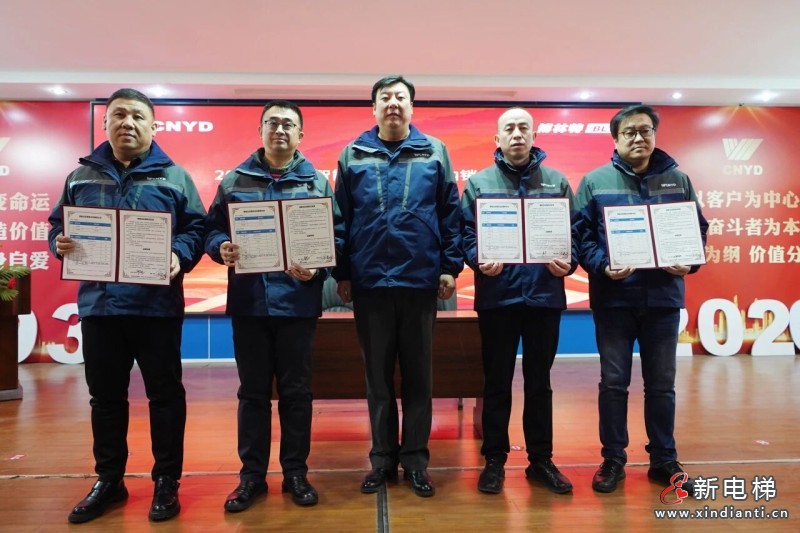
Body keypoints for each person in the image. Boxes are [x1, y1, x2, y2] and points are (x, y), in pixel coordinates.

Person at [48, 88, 206, 523]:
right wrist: (59, 243)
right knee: (105, 398)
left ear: (153, 125)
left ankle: (167, 481)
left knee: (165, 396)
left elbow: (196, 229)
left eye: (137, 116)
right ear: (106, 123)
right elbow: (58, 224)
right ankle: (109, 480)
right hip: (100, 307)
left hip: (156, 306)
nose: (127, 123)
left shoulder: (175, 177)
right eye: (119, 115)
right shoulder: (80, 177)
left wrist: (179, 254)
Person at [333, 75, 463, 497]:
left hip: (419, 281)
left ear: (411, 107)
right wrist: (342, 272)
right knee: (378, 381)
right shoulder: (353, 154)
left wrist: (449, 266)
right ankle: (382, 461)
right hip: (370, 282)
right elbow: (340, 218)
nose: (393, 103)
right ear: (374, 108)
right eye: (385, 97)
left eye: (400, 97)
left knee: (419, 379)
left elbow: (450, 214)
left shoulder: (434, 151)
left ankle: (416, 462)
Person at [573, 104, 708, 494]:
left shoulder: (678, 180)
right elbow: (580, 236)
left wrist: (689, 261)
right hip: (614, 299)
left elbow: (697, 230)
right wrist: (602, 265)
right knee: (614, 383)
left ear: (654, 135)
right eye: (629, 132)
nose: (638, 138)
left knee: (662, 385)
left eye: (645, 130)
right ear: (615, 139)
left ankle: (663, 459)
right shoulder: (595, 181)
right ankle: (613, 459)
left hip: (663, 299)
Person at [204, 100, 333, 512]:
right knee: (253, 394)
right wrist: (220, 247)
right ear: (260, 130)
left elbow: (338, 236)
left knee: (297, 393)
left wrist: (318, 269)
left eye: (288, 124)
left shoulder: (316, 182)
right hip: (250, 303)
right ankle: (252, 477)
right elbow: (211, 230)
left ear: (300, 134)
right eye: (272, 122)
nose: (280, 129)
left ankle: (295, 473)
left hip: (297, 304)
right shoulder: (235, 180)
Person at [460, 108, 577, 495]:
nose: (516, 134)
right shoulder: (479, 183)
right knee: (496, 382)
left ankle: (541, 460)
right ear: (497, 139)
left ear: (533, 135)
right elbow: (465, 233)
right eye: (508, 128)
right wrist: (478, 258)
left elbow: (575, 233)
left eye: (523, 128)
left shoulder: (556, 182)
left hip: (544, 296)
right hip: (498, 297)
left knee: (540, 382)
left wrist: (570, 261)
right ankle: (494, 460)